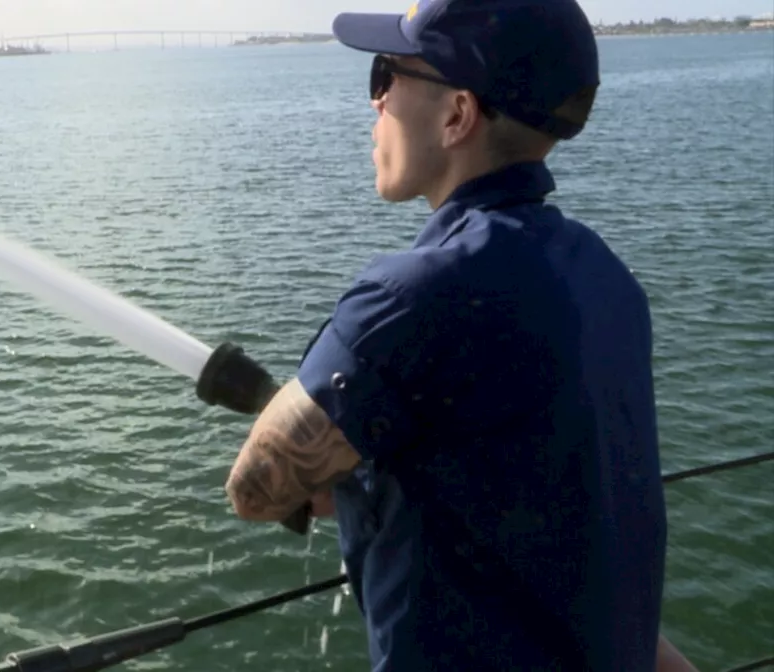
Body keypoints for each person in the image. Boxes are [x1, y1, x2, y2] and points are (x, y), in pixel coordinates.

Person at [222, 0, 697, 670]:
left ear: (457, 116)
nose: (375, 103)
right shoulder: (606, 279)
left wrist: (342, 478)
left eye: (385, 77)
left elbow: (255, 489)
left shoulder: (413, 296)